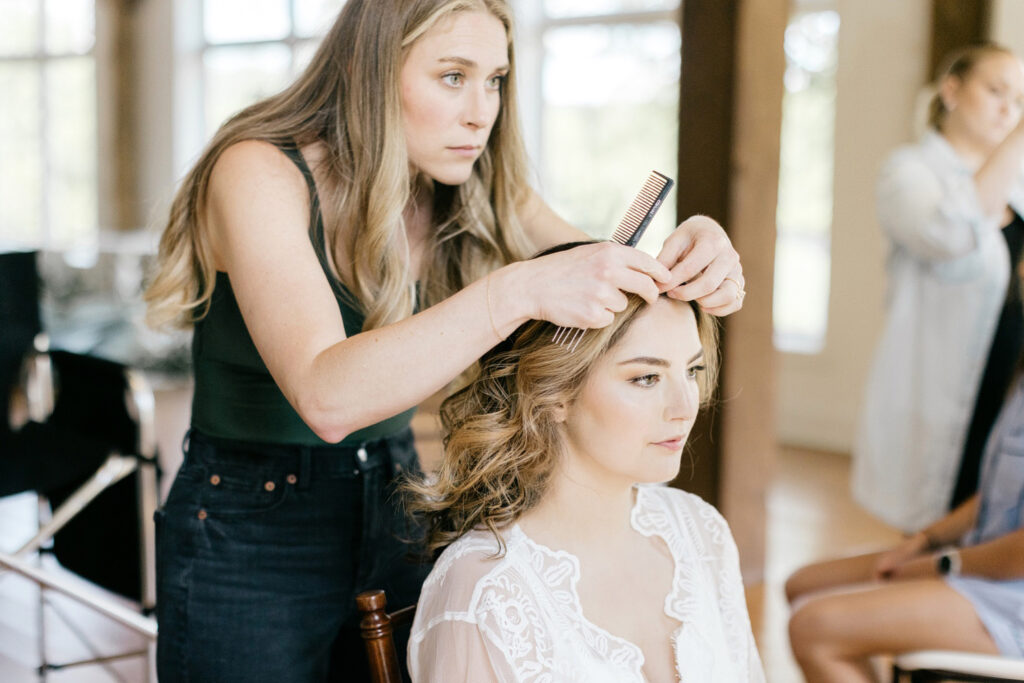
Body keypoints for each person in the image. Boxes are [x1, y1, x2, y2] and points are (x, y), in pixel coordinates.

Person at [143, 1, 746, 681]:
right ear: (367, 68)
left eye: (494, 80)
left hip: (395, 487)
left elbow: (595, 263)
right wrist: (514, 289)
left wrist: (699, 245)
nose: (481, 112)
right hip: (251, 516)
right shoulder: (258, 171)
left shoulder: (467, 182)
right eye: (452, 76)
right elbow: (325, 393)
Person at [405, 277, 765, 682]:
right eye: (646, 378)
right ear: (555, 392)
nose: (686, 407)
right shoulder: (486, 590)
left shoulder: (701, 530)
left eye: (693, 370)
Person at [853, 44, 1024, 532]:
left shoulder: (1017, 183)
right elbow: (950, 234)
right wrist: (1017, 141)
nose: (1009, 109)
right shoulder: (908, 172)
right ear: (952, 90)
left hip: (1010, 387)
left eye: (1018, 100)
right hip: (948, 392)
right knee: (935, 530)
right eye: (996, 91)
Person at [786, 361, 1024, 682]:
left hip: (1009, 598)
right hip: (980, 561)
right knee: (801, 585)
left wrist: (940, 564)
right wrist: (924, 541)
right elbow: (994, 494)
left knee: (813, 629)